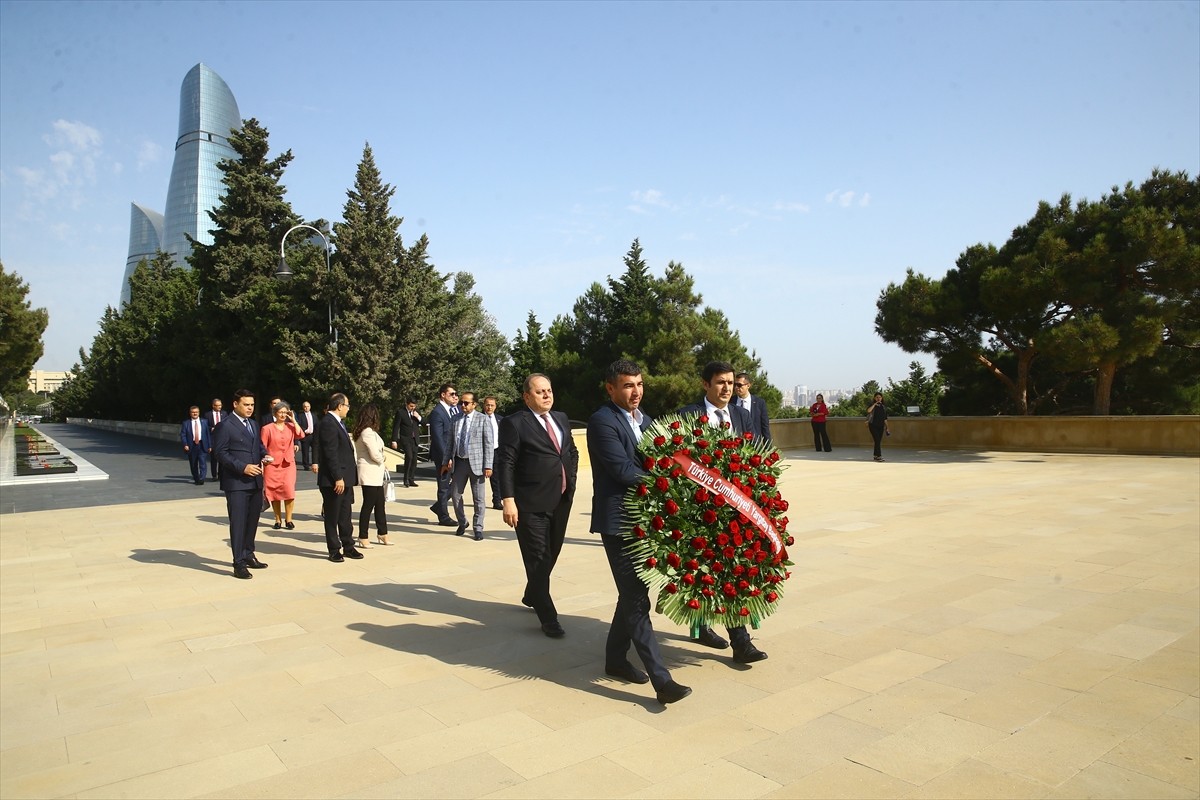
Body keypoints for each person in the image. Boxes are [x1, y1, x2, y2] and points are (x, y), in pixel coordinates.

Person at [588, 359, 692, 705]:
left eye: (640, 384)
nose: (636, 391)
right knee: (635, 598)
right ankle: (662, 681)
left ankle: (615, 660)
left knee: (631, 592)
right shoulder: (602, 422)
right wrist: (670, 482)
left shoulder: (647, 421)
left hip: (647, 521)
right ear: (611, 388)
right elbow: (622, 469)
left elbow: (667, 456)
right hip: (618, 522)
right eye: (628, 385)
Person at [678, 360, 769, 665]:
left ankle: (740, 641)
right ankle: (705, 625)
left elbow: (753, 454)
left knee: (732, 570)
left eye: (731, 382)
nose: (727, 388)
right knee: (704, 572)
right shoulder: (688, 415)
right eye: (720, 382)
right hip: (701, 509)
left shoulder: (742, 415)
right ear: (705, 384)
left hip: (736, 509)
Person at [497, 373, 579, 638]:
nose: (547, 395)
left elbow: (571, 451)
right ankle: (548, 617)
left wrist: (572, 478)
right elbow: (506, 462)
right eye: (540, 391)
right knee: (538, 558)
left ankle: (533, 592)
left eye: (549, 390)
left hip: (561, 500)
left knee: (552, 553)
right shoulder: (515, 423)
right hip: (530, 503)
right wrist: (508, 500)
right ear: (527, 396)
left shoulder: (561, 419)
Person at [212, 389, 271, 579]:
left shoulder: (253, 424)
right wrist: (242, 467)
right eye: (246, 404)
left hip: (255, 481)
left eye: (252, 405)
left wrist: (264, 455)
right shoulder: (225, 426)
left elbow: (258, 446)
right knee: (238, 523)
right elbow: (220, 453)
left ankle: (248, 554)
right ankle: (238, 562)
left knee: (253, 521)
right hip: (236, 483)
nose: (250, 408)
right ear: (235, 404)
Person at [316, 392, 362, 562]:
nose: (348, 409)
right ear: (340, 406)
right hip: (334, 479)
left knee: (345, 514)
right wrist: (338, 477)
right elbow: (330, 453)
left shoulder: (339, 423)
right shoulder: (328, 423)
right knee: (332, 515)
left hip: (345, 477)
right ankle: (334, 549)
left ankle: (348, 545)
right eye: (347, 406)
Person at [449, 392, 494, 541]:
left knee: (478, 498)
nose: (463, 405)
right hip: (460, 462)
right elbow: (450, 443)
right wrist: (446, 461)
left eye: (466, 403)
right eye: (462, 402)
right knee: (455, 495)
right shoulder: (455, 419)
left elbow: (488, 444)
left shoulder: (483, 419)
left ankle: (478, 528)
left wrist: (488, 465)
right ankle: (463, 522)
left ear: (474, 404)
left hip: (477, 464)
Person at [260, 400, 303, 530]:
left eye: (285, 412)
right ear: (275, 413)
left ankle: (289, 519)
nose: (283, 415)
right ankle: (277, 519)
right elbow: (262, 447)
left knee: (289, 491)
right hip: (272, 465)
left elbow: (301, 434)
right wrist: (264, 460)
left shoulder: (290, 426)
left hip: (288, 464)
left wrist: (294, 420)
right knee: (275, 492)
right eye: (281, 412)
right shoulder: (267, 428)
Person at [353, 403, 390, 547]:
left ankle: (383, 533)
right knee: (368, 505)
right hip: (369, 472)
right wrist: (383, 458)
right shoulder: (366, 432)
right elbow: (375, 453)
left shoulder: (368, 431)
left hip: (375, 473)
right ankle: (363, 536)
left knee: (380, 504)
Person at [427, 383, 460, 527]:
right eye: (452, 394)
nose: (455, 396)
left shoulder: (454, 410)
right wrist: (446, 458)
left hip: (456, 454)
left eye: (455, 394)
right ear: (443, 395)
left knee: (458, 483)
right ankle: (443, 516)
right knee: (444, 485)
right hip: (444, 456)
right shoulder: (437, 413)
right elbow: (438, 437)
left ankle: (438, 506)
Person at [390, 398, 421, 487]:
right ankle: (406, 479)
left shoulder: (416, 412)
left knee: (414, 460)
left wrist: (418, 417)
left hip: (415, 439)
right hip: (406, 439)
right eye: (411, 406)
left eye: (414, 406)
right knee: (409, 457)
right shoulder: (401, 413)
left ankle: (411, 479)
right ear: (407, 404)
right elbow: (396, 427)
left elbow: (424, 422)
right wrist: (394, 440)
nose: (412, 408)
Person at [733, 371, 772, 442]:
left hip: (755, 444)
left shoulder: (759, 403)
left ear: (748, 385)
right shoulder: (730, 402)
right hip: (735, 444)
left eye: (739, 385)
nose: (736, 387)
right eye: (735, 384)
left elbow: (765, 428)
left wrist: (768, 449)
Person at [179, 405, 211, 485]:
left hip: (202, 445)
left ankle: (202, 478)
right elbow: (183, 434)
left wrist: (210, 445)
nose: (195, 414)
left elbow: (208, 434)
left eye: (196, 412)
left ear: (199, 413)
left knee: (202, 463)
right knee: (193, 464)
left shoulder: (204, 422)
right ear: (190, 413)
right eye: (193, 412)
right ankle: (196, 478)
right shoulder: (186, 423)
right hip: (191, 445)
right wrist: (185, 444)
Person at [482, 396, 503, 510]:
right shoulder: (479, 418)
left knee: (496, 478)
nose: (489, 407)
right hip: (482, 452)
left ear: (495, 406)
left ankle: (497, 500)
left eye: (492, 405)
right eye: (487, 405)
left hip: (496, 451)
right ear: (484, 405)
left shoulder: (500, 419)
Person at [866, 392, 890, 462]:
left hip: (881, 426)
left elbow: (885, 418)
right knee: (877, 440)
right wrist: (874, 404)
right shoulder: (872, 405)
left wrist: (887, 427)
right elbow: (868, 411)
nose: (878, 399)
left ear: (882, 398)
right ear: (874, 398)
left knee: (878, 441)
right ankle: (879, 456)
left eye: (880, 397)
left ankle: (875, 455)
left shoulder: (883, 407)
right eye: (877, 397)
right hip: (873, 425)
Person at [207, 398, 227, 480]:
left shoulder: (224, 414)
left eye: (220, 405)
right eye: (217, 405)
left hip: (222, 438)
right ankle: (214, 475)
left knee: (222, 457)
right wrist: (210, 428)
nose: (219, 407)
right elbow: (204, 426)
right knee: (214, 458)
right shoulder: (207, 415)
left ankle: (221, 474)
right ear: (213, 406)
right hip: (213, 438)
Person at [296, 401, 317, 469]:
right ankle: (306, 465)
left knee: (315, 450)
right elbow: (298, 424)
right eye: (305, 407)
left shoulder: (314, 415)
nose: (306, 408)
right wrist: (304, 430)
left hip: (313, 435)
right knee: (305, 451)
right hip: (305, 435)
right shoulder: (300, 415)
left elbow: (316, 424)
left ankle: (314, 463)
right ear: (303, 407)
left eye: (307, 406)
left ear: (310, 407)